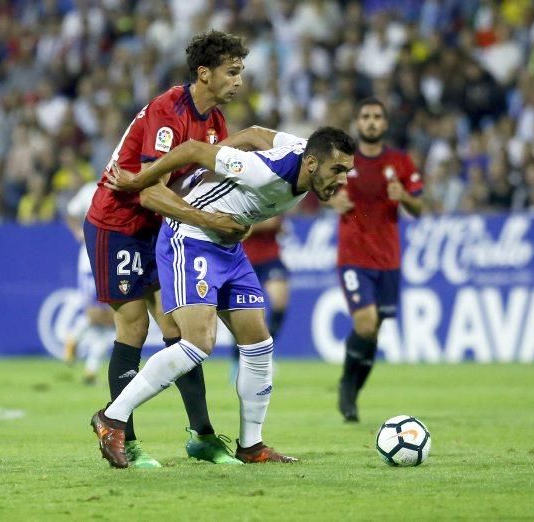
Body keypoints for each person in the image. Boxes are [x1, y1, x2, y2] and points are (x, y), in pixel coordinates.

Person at [90, 125, 356, 468]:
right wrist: (142, 180)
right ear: (311, 164)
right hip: (191, 237)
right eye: (337, 170)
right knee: (198, 343)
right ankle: (112, 419)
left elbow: (257, 132)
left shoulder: (302, 151)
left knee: (259, 342)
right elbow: (192, 149)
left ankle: (252, 445)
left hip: (228, 247)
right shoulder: (260, 172)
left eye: (347, 171)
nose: (343, 180)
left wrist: (217, 169)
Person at [83, 31, 250, 468]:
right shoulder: (168, 113)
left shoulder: (215, 123)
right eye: (231, 72)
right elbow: (148, 193)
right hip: (116, 224)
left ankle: (203, 437)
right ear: (204, 74)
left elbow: (203, 184)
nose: (239, 81)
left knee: (182, 334)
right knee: (134, 329)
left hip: (159, 229)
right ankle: (122, 438)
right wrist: (212, 222)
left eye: (240, 72)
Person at [327, 97, 425, 423]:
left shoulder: (400, 161)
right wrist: (331, 200)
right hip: (353, 255)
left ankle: (353, 392)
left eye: (377, 117)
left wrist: (405, 197)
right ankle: (345, 384)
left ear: (384, 124)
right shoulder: (344, 160)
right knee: (365, 323)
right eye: (365, 116)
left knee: (373, 332)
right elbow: (317, 188)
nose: (371, 121)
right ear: (358, 122)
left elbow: (420, 208)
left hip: (388, 259)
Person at [64, 181, 116, 385]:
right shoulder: (89, 189)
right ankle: (75, 337)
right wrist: (79, 233)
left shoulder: (124, 185)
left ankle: (91, 369)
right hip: (90, 261)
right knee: (100, 315)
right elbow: (70, 212)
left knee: (112, 323)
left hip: (111, 259)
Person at [233, 217, 290, 374]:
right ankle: (237, 361)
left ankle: (264, 352)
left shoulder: (274, 194)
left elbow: (278, 223)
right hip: (243, 258)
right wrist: (264, 224)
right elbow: (235, 225)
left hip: (271, 258)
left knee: (280, 301)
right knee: (241, 311)